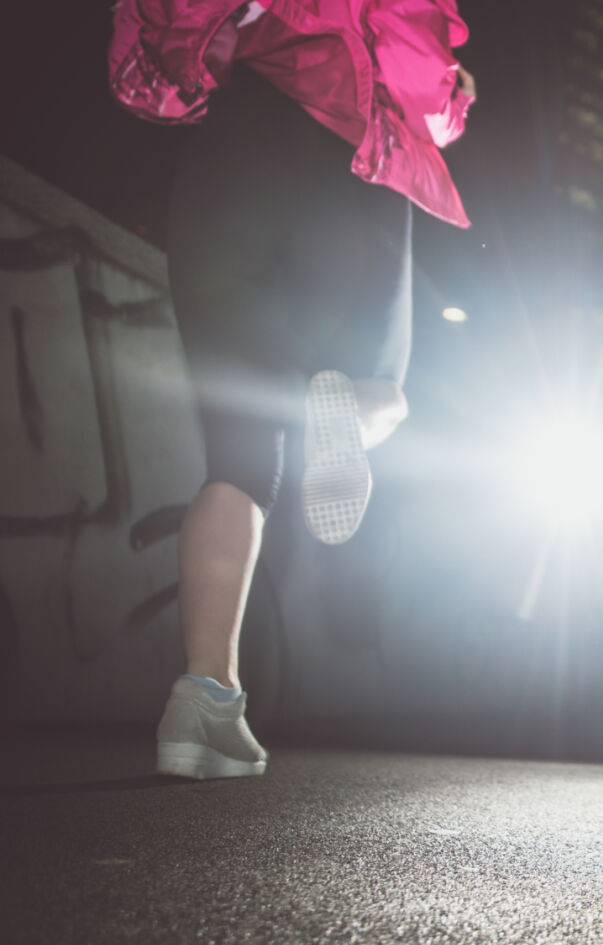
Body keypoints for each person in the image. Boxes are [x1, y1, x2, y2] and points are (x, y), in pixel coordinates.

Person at [108, 0, 476, 779]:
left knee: (239, 464)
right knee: (384, 386)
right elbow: (426, 90)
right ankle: (344, 407)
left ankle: (204, 698)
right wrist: (457, 95)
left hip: (226, 162)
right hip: (345, 162)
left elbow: (162, 39)